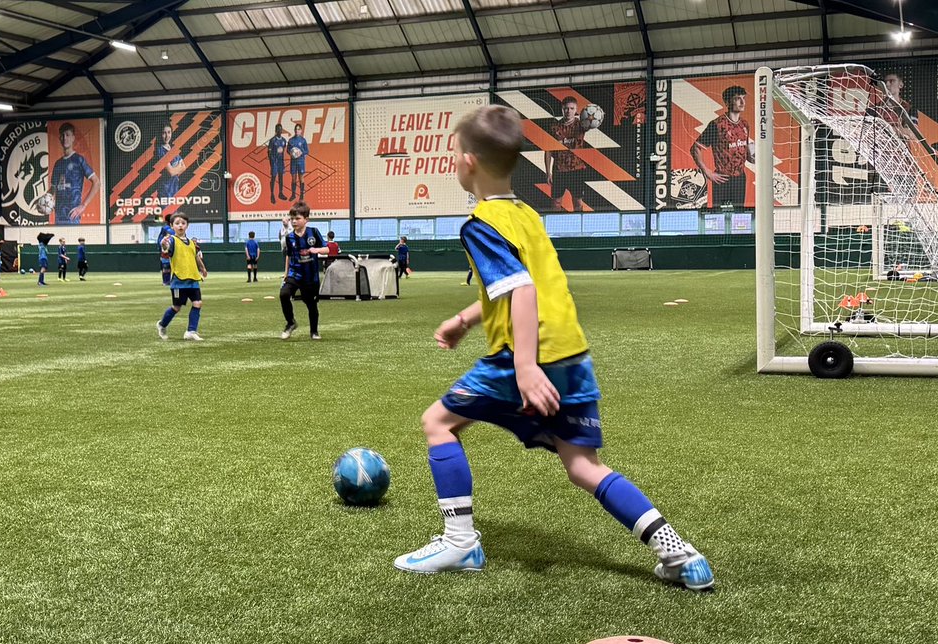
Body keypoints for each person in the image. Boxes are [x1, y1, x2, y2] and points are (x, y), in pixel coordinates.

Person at [392, 104, 714, 592]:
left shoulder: (481, 223)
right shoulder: (525, 215)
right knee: (584, 466)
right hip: (571, 355)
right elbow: (527, 285)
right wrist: (464, 319)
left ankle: (460, 541)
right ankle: (679, 554)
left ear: (469, 162)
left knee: (438, 422)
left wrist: (523, 366)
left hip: (526, 357)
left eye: (455, 153)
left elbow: (521, 290)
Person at [690, 85, 753, 209]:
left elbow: (745, 154)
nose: (742, 102)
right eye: (737, 98)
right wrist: (707, 172)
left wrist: (753, 156)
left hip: (740, 178)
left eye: (743, 98)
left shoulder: (745, 124)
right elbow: (695, 148)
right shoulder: (717, 125)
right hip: (723, 179)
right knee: (719, 217)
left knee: (739, 216)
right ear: (728, 102)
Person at [279, 201, 329, 341]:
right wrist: (286, 273)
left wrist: (317, 250)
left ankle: (314, 331)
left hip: (310, 277)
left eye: (297, 218)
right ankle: (290, 323)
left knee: (311, 304)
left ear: (306, 219)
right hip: (294, 274)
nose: (294, 221)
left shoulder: (314, 232)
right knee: (284, 294)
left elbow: (327, 249)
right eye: (292, 219)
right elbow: (288, 255)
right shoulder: (289, 237)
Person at [155, 211, 208, 342]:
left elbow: (195, 256)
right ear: (172, 226)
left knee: (198, 303)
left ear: (187, 225)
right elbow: (166, 248)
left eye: (183, 223)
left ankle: (191, 331)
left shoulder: (191, 242)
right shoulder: (171, 240)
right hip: (179, 280)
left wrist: (202, 268)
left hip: (193, 279)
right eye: (177, 223)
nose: (180, 226)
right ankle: (162, 325)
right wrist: (163, 244)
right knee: (176, 307)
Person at [544, 96, 590, 211]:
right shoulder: (554, 127)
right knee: (556, 202)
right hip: (559, 169)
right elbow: (548, 150)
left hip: (577, 170)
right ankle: (556, 227)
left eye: (571, 108)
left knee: (578, 202)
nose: (568, 111)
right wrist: (548, 171)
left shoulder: (582, 125)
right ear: (562, 109)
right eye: (566, 108)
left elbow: (593, 123)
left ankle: (580, 226)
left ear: (576, 110)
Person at [49, 122, 99, 225]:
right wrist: (45, 200)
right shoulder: (58, 164)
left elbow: (97, 182)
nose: (65, 138)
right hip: (59, 217)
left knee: (73, 241)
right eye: (62, 135)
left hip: (73, 217)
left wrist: (83, 206)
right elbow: (53, 188)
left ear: (73, 138)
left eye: (67, 135)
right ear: (59, 139)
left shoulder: (79, 160)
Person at [155, 123, 187, 204]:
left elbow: (184, 167)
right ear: (160, 134)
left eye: (169, 132)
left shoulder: (173, 149)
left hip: (175, 188)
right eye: (164, 133)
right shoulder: (160, 150)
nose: (167, 136)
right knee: (162, 215)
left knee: (173, 215)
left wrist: (174, 169)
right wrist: (176, 168)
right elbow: (171, 172)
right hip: (165, 190)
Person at [287, 123, 309, 201]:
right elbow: (287, 150)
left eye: (299, 129)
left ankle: (302, 195)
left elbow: (307, 151)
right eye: (296, 129)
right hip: (293, 162)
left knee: (301, 178)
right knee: (293, 178)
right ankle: (293, 195)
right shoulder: (291, 140)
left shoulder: (303, 140)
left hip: (301, 161)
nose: (297, 130)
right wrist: (292, 153)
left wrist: (301, 153)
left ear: (301, 131)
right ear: (294, 130)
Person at [268, 123, 288, 205]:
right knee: (273, 177)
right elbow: (269, 153)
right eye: (278, 129)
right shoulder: (272, 140)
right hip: (274, 161)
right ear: (276, 130)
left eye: (280, 129)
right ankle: (272, 194)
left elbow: (283, 149)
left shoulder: (283, 140)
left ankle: (280, 193)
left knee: (281, 177)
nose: (279, 131)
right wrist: (271, 163)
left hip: (281, 161)